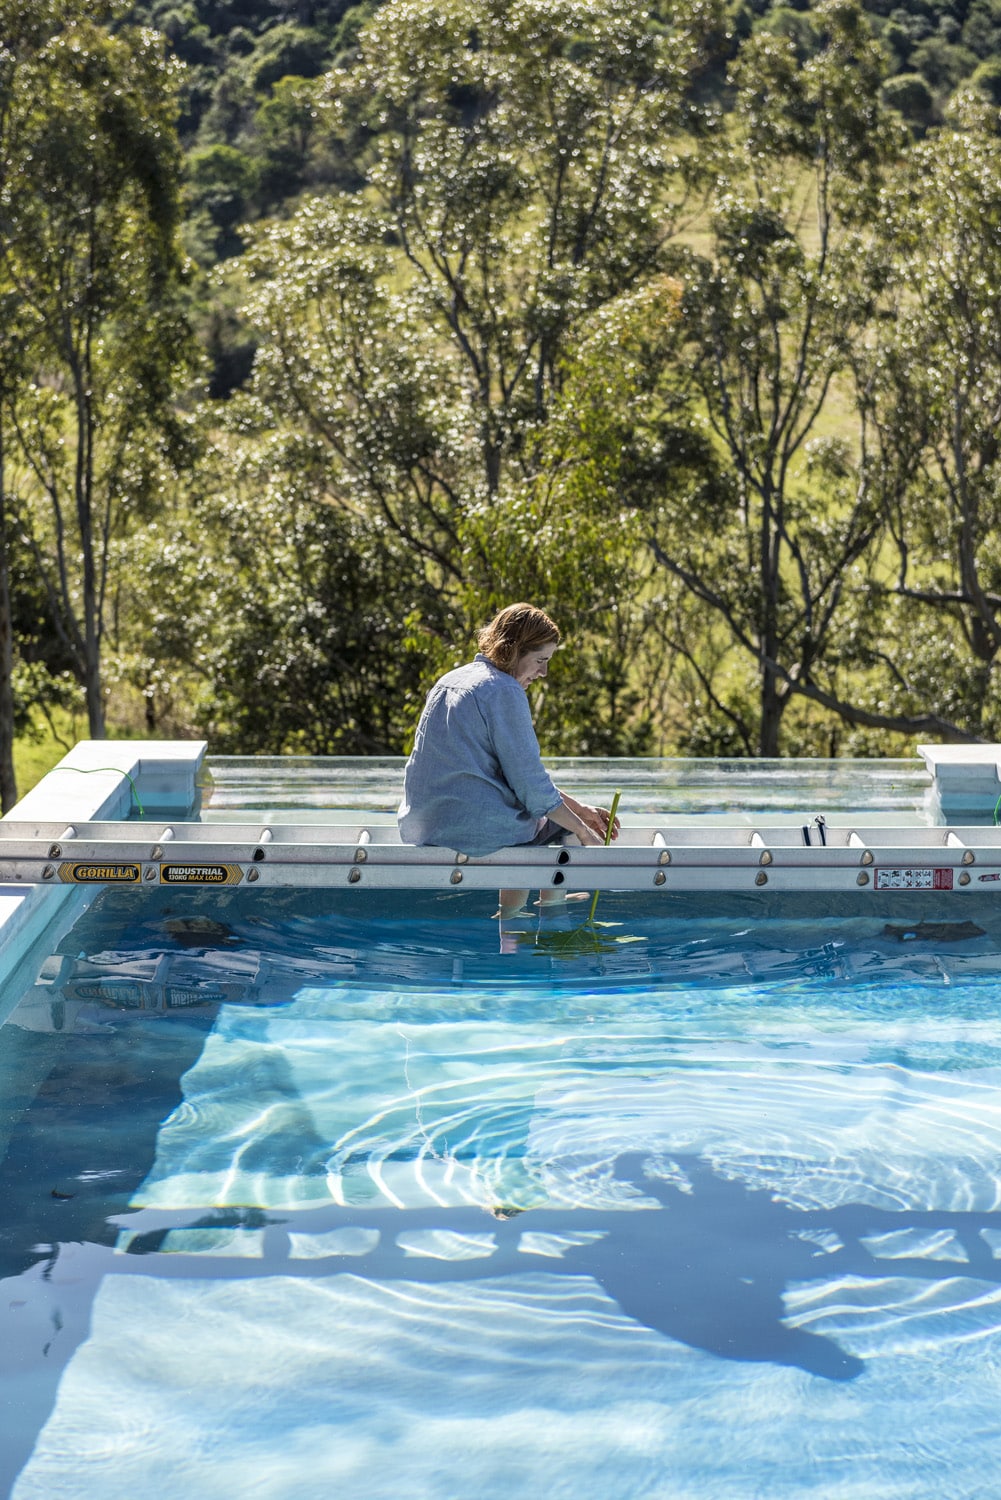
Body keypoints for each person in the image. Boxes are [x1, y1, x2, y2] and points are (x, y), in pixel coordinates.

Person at [398, 603, 619, 920]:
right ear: (513, 650)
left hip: (425, 826)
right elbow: (531, 787)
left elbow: (515, 777)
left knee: (551, 817)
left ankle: (514, 914)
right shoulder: (504, 690)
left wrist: (581, 809)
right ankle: (547, 915)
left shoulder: (451, 680)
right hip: (474, 831)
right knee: (563, 831)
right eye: (540, 660)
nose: (543, 673)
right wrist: (584, 830)